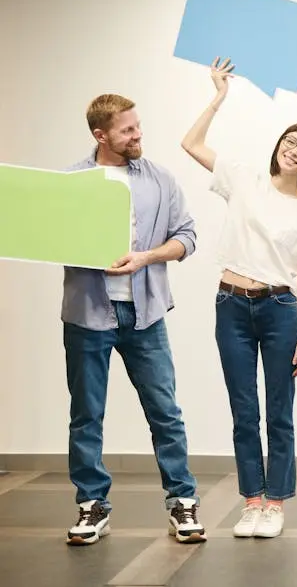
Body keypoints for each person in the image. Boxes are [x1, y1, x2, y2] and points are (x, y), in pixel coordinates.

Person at [180, 58, 297, 539]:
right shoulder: (245, 178)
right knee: (244, 408)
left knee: (279, 410)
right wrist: (219, 97)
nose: (293, 150)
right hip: (231, 305)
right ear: (279, 148)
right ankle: (252, 501)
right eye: (290, 142)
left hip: (281, 310)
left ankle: (276, 503)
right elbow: (191, 145)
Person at [62, 93, 205, 545]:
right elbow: (50, 239)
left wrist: (146, 257)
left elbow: (188, 237)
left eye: (137, 125)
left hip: (146, 315)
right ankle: (91, 505)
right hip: (87, 315)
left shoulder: (160, 179)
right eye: (127, 130)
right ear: (100, 136)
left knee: (165, 412)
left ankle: (182, 502)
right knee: (87, 414)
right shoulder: (71, 183)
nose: (138, 134)